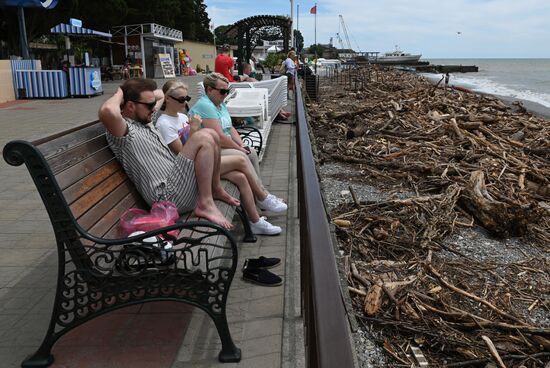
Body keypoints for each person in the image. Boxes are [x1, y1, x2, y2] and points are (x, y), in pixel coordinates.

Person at [98, 78, 238, 230]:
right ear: (130, 105)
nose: (154, 109)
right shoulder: (125, 132)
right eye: (150, 105)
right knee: (203, 136)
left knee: (212, 134)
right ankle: (206, 203)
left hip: (178, 184)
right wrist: (121, 92)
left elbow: (160, 95)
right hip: (167, 198)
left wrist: (138, 93)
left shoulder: (146, 121)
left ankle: (216, 190)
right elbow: (108, 111)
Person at [156, 80, 283, 234]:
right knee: (241, 159)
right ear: (168, 99)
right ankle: (263, 197)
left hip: (202, 163)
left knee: (241, 177)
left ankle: (254, 221)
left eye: (187, 98)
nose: (185, 103)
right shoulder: (164, 123)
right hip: (188, 171)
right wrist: (194, 129)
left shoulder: (182, 118)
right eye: (181, 99)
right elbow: (183, 155)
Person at [189, 72, 287, 212]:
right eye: (222, 91)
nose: (225, 94)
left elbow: (230, 128)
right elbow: (220, 136)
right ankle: (262, 197)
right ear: (209, 90)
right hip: (209, 153)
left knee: (250, 151)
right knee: (242, 156)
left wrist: (241, 144)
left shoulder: (219, 103)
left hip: (219, 148)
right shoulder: (205, 106)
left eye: (227, 91)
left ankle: (262, 196)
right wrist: (238, 148)